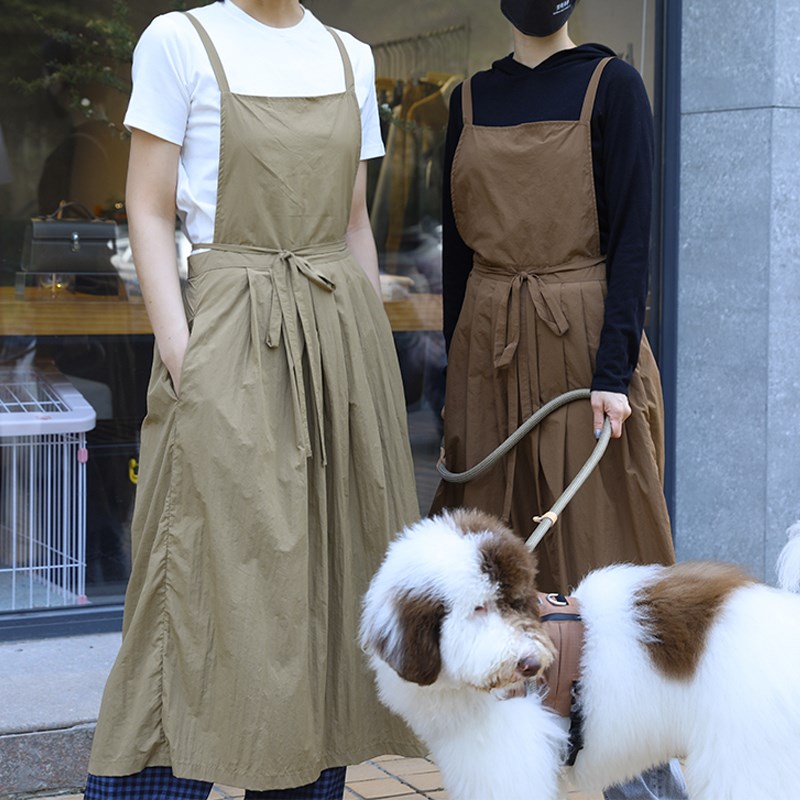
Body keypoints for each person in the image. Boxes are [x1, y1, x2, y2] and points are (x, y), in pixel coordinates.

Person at [84, 1, 423, 798]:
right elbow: (150, 206)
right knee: (198, 577)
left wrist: (369, 355)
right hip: (229, 337)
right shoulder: (180, 40)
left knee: (323, 591)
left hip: (338, 344)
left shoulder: (350, 57)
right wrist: (182, 350)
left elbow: (352, 225)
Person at [431, 1, 688, 798]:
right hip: (489, 346)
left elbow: (635, 237)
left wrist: (613, 373)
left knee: (604, 555)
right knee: (488, 568)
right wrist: (457, 375)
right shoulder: (468, 99)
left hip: (584, 351)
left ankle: (636, 768)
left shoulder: (613, 85)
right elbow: (454, 253)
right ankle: (507, 765)